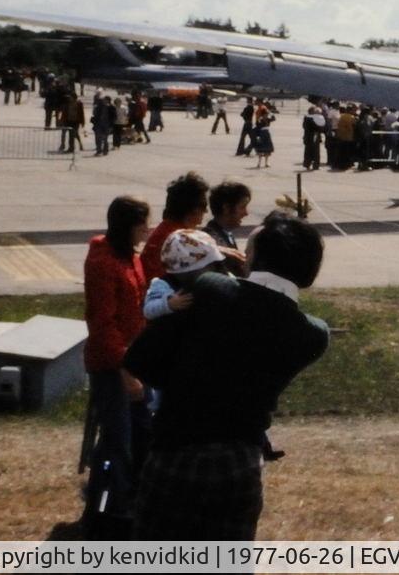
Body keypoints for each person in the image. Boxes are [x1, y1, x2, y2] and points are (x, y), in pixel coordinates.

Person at [125, 213, 329, 541]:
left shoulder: (213, 289)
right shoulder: (313, 334)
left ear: (255, 258)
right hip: (242, 461)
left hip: (178, 446)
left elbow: (141, 359)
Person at [82, 195, 152, 538]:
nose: (147, 229)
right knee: (117, 442)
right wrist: (125, 371)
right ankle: (108, 512)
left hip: (134, 361)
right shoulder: (104, 263)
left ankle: (117, 501)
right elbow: (103, 324)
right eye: (143, 223)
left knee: (135, 434)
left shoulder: (130, 259)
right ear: (128, 226)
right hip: (112, 366)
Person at [142, 172, 210, 285]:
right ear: (190, 209)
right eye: (203, 205)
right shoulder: (177, 240)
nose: (206, 211)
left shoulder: (167, 231)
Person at [204, 180, 252, 275]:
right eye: (242, 207)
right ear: (226, 209)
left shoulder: (225, 234)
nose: (246, 213)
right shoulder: (211, 240)